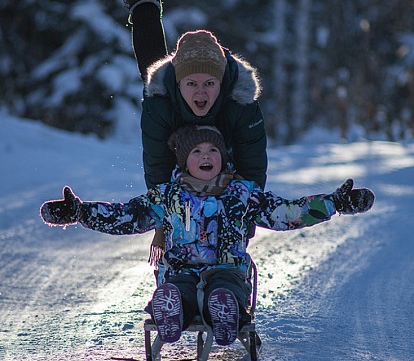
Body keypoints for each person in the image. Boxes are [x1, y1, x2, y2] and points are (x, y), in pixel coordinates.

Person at [40, 125, 375, 347]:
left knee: (225, 288)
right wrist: (82, 212)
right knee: (178, 290)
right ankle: (172, 312)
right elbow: (129, 216)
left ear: (223, 158)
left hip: (228, 270)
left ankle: (224, 313)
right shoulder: (167, 195)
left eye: (212, 151)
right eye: (197, 151)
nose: (205, 156)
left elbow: (286, 213)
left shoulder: (243, 194)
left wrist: (334, 203)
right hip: (181, 270)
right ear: (185, 161)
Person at [121, 0, 267, 190]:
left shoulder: (241, 103)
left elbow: (253, 170)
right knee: (152, 66)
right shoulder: (160, 102)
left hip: (222, 145)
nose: (201, 93)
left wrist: (242, 217)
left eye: (209, 84)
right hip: (169, 91)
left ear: (222, 84)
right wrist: (164, 215)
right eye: (191, 84)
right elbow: (157, 167)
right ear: (178, 85)